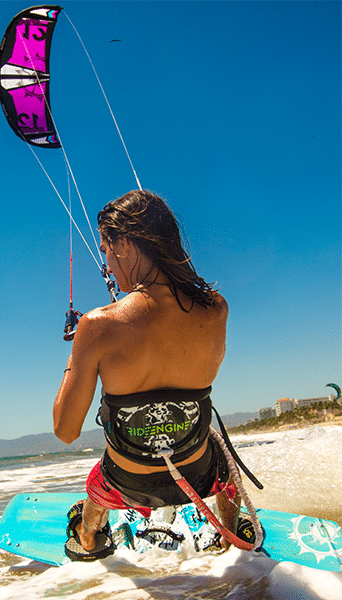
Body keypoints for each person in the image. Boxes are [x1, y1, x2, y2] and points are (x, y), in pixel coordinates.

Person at [53, 190, 240, 561]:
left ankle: (89, 539)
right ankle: (229, 539)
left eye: (107, 249)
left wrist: (79, 353)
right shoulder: (216, 309)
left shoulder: (97, 326)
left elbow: (66, 430)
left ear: (125, 242)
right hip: (200, 474)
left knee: (99, 483)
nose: (107, 263)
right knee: (225, 462)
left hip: (127, 483)